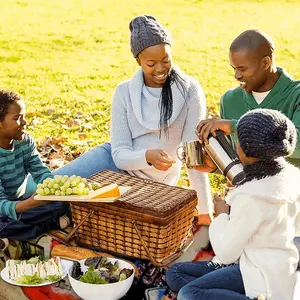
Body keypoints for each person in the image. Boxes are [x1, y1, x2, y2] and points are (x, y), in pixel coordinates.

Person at [45, 15, 212, 225]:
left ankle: (58, 220)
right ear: (138, 61)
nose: (160, 68)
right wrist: (147, 156)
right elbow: (119, 154)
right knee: (47, 190)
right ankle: (12, 216)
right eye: (151, 63)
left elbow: (192, 156)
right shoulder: (124, 92)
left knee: (77, 211)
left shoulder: (189, 90)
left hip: (150, 185)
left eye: (166, 60)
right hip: (113, 162)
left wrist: (205, 212)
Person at [166, 108, 300, 300]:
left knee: (189, 293)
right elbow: (265, 194)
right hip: (274, 268)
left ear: (244, 150)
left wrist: (221, 215)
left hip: (259, 277)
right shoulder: (292, 177)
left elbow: (226, 252)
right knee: (176, 273)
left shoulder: (251, 197)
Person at [196, 29, 300, 172]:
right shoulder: (230, 100)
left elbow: (297, 144)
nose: (236, 75)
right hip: (250, 190)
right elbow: (239, 162)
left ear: (265, 63)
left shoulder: (296, 95)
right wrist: (216, 167)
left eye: (242, 69)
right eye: (234, 68)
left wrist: (235, 127)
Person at [0, 90, 69, 242]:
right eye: (17, 118)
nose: (24, 122)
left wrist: (53, 189)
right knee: (2, 225)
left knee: (62, 203)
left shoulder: (25, 141)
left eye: (24, 116)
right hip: (5, 209)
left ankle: (24, 233)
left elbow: (40, 172)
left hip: (21, 203)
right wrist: (28, 204)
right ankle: (44, 228)